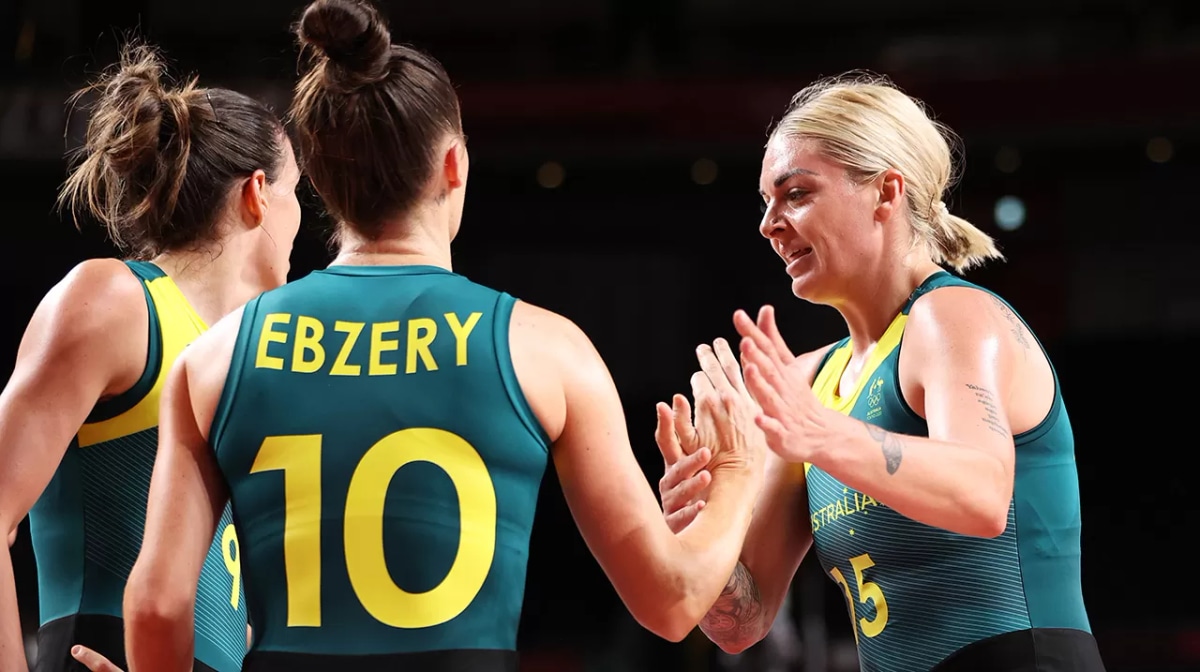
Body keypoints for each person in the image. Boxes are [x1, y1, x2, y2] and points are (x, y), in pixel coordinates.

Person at [113, 1, 764, 671]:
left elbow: (158, 607)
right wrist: (740, 474)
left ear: (322, 182)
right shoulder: (543, 349)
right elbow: (672, 601)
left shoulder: (214, 357)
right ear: (453, 165)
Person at [657, 74, 1105, 672]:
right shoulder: (808, 382)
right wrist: (697, 522)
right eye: (765, 202)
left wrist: (822, 434)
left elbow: (981, 493)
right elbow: (743, 621)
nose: (769, 223)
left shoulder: (951, 317)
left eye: (796, 193)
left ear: (886, 192)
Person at [0, 42, 302, 672]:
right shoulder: (114, 301)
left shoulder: (240, 356)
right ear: (257, 195)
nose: (305, 220)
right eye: (297, 191)